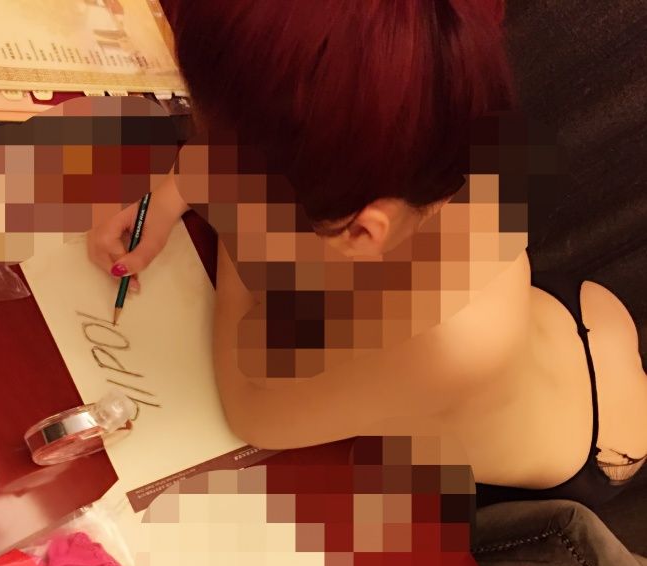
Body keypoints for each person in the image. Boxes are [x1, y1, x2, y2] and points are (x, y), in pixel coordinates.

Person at [87, 0, 647, 508]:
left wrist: (224, 211)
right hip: (571, 320)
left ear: (361, 231)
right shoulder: (439, 121)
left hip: (588, 449)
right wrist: (181, 191)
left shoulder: (439, 337)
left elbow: (252, 408)